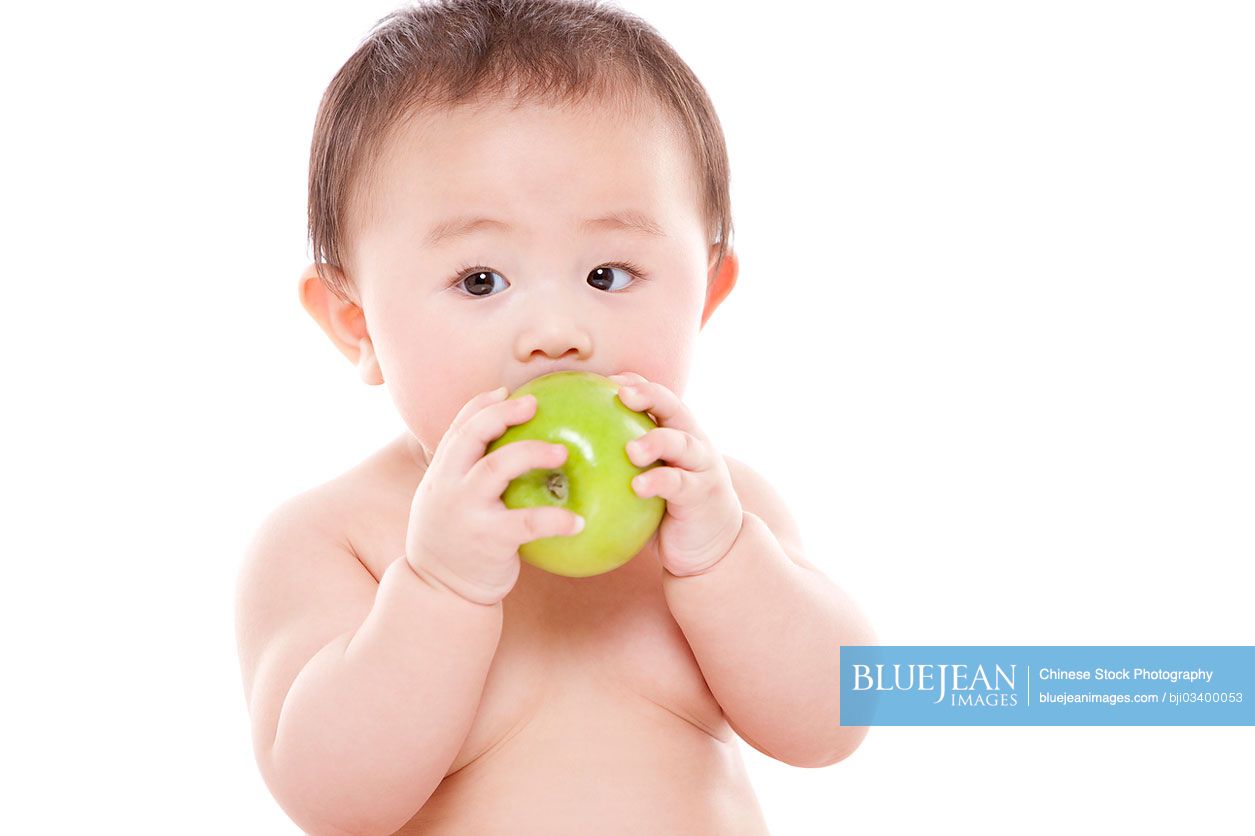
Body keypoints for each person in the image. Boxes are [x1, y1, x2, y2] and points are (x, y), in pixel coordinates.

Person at [234, 1, 877, 832]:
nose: (555, 335)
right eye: (479, 281)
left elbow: (833, 722)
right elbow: (331, 798)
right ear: (356, 323)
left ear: (706, 296)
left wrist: (722, 562)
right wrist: (439, 589)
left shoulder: (718, 510)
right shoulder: (336, 538)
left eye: (608, 274)